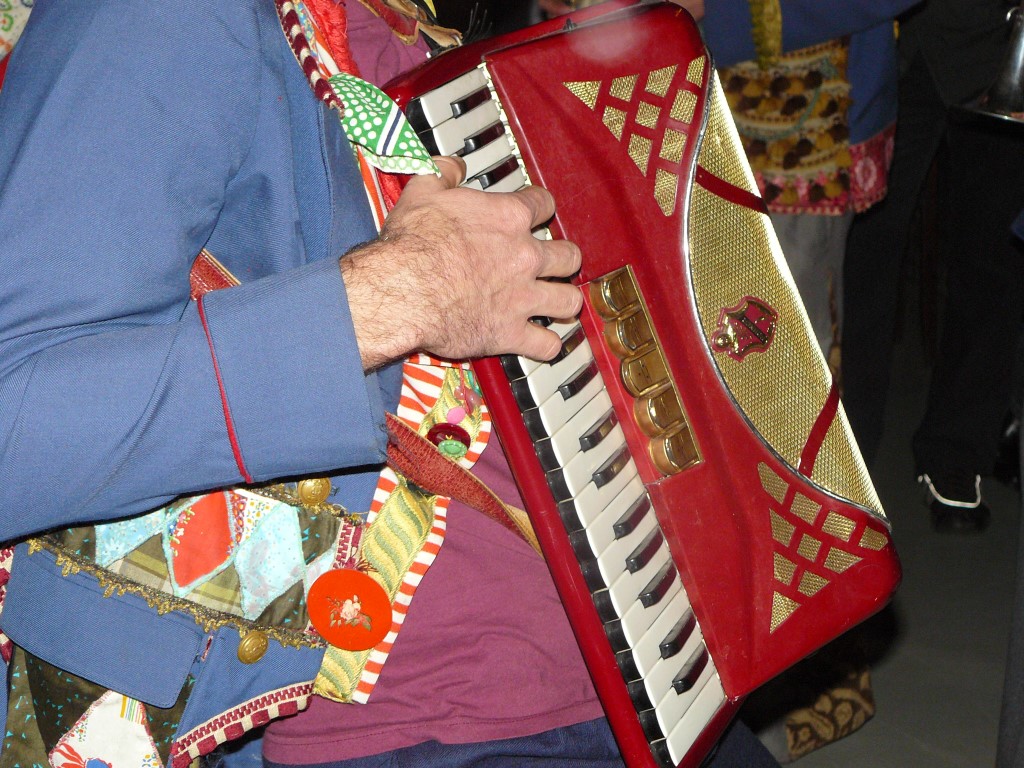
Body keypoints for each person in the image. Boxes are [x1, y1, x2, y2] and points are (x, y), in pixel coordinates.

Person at [0, 1, 779, 767]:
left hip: (639, 668)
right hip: (412, 723)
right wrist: (390, 299)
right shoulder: (161, 17)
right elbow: (17, 426)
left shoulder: (412, 24)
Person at [842, 0, 1024, 533]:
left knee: (994, 258)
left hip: (1000, 37)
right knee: (865, 252)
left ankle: (957, 452)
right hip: (890, 38)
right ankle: (845, 449)